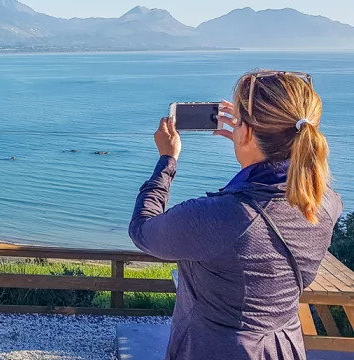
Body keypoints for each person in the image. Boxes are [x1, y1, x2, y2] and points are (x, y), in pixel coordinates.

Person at [128, 70, 343, 360]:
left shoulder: (221, 217)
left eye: (238, 120)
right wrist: (249, 140)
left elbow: (143, 230)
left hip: (215, 349)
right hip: (284, 346)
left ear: (245, 131)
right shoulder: (325, 201)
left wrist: (167, 161)